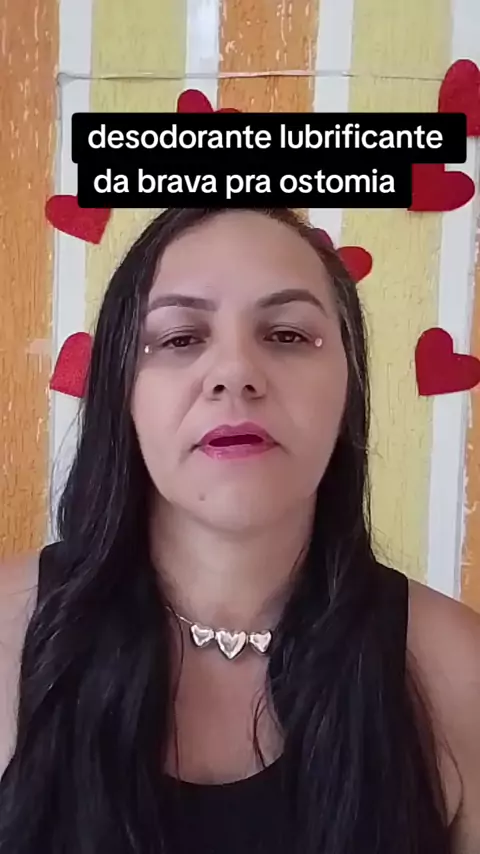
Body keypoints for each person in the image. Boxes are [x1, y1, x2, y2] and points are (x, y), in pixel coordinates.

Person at [0, 207, 479, 854]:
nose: (235, 373)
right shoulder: (8, 632)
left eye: (286, 334)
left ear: (349, 385)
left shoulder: (459, 673)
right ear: (122, 391)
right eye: (180, 338)